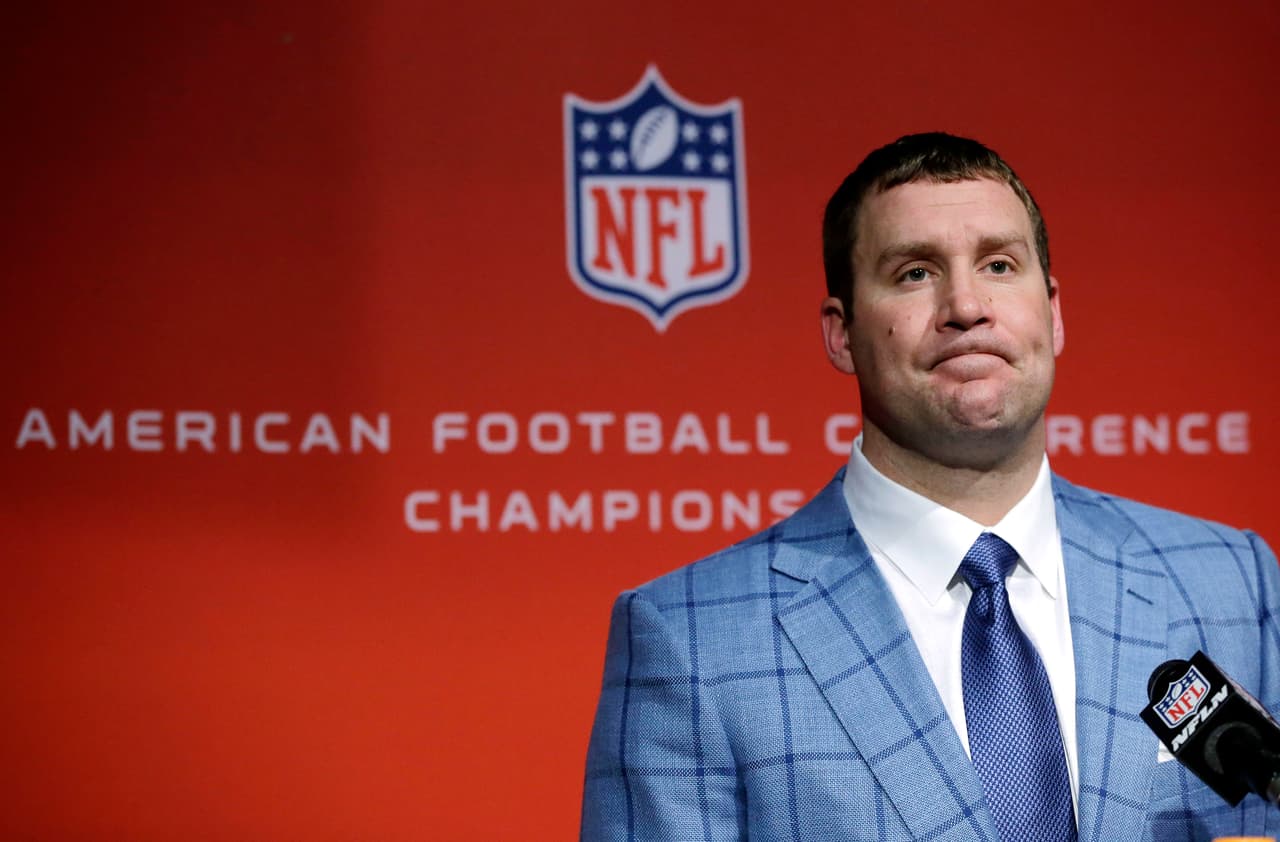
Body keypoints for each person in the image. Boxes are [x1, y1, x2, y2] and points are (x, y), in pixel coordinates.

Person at [580, 132, 1280, 841]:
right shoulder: (691, 639)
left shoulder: (1231, 584)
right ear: (842, 334)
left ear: (1054, 311)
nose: (967, 306)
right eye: (915, 273)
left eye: (1000, 264)